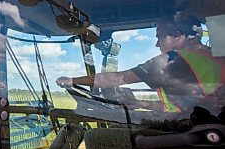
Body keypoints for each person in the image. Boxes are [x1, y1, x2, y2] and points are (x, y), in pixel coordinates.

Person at [56, 12, 225, 114]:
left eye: (159, 37)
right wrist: (137, 103)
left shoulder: (170, 61)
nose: (157, 44)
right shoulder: (217, 57)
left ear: (176, 34)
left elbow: (118, 79)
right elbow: (179, 108)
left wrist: (72, 81)